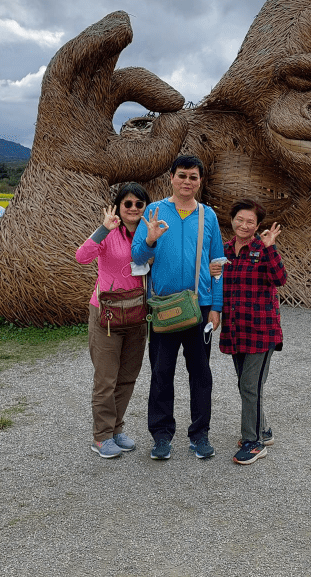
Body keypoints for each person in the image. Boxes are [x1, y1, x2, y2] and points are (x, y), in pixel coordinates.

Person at [132, 155, 225, 460]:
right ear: (170, 177)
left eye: (193, 177)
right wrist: (149, 239)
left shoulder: (207, 215)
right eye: (182, 175)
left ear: (200, 181)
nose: (187, 182)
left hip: (198, 308)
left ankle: (200, 435)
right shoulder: (155, 211)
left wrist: (216, 305)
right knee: (161, 373)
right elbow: (136, 256)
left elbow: (217, 264)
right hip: (163, 308)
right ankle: (161, 435)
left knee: (200, 374)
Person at [75, 182, 151, 459]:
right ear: (118, 207)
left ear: (146, 208)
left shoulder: (148, 235)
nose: (132, 208)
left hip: (137, 314)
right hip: (106, 314)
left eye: (138, 204)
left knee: (127, 377)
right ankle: (102, 436)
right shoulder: (109, 234)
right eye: (127, 204)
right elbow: (82, 257)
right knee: (106, 378)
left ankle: (116, 428)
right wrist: (103, 229)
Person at [213, 198, 287, 465]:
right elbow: (217, 285)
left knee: (249, 384)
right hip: (235, 329)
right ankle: (263, 430)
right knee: (248, 385)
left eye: (250, 222)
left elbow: (279, 279)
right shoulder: (224, 252)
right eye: (240, 219)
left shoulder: (262, 248)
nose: (244, 225)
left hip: (261, 330)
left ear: (257, 226)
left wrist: (270, 248)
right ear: (232, 220)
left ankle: (253, 442)